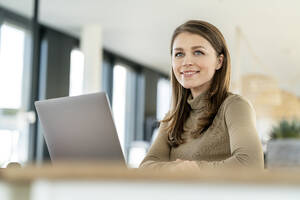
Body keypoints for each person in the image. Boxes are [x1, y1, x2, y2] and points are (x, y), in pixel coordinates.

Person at [139, 20, 264, 170]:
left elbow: (251, 164)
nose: (186, 62)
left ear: (219, 61)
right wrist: (177, 169)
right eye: (179, 54)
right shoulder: (172, 118)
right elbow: (145, 167)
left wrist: (193, 169)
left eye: (198, 52)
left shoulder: (234, 106)